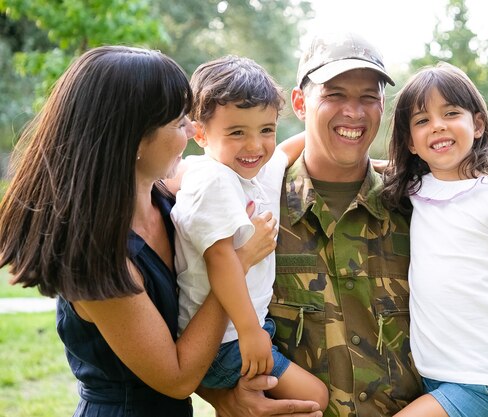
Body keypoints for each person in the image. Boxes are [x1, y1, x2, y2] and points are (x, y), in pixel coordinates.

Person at [0, 45, 283, 416]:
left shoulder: (164, 200)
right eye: (179, 123)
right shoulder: (97, 257)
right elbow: (177, 376)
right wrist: (238, 262)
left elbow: (276, 160)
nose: (191, 132)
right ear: (132, 138)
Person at [200, 32, 423, 417]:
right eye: (335, 95)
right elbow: (193, 321)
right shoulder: (251, 210)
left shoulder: (416, 207)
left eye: (368, 97)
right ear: (300, 103)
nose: (353, 112)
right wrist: (222, 398)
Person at [382, 62, 488, 417]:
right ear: (410, 142)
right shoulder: (416, 189)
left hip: (486, 382)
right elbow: (343, 157)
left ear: (477, 125)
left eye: (451, 112)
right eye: (421, 120)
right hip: (434, 378)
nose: (438, 125)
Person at [170, 55, 328, 409]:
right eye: (237, 132)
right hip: (223, 341)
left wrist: (363, 157)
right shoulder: (213, 178)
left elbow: (287, 150)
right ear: (200, 133)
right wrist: (249, 331)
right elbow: (221, 259)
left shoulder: (251, 170)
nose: (255, 145)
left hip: (245, 331)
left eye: (266, 129)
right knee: (315, 397)